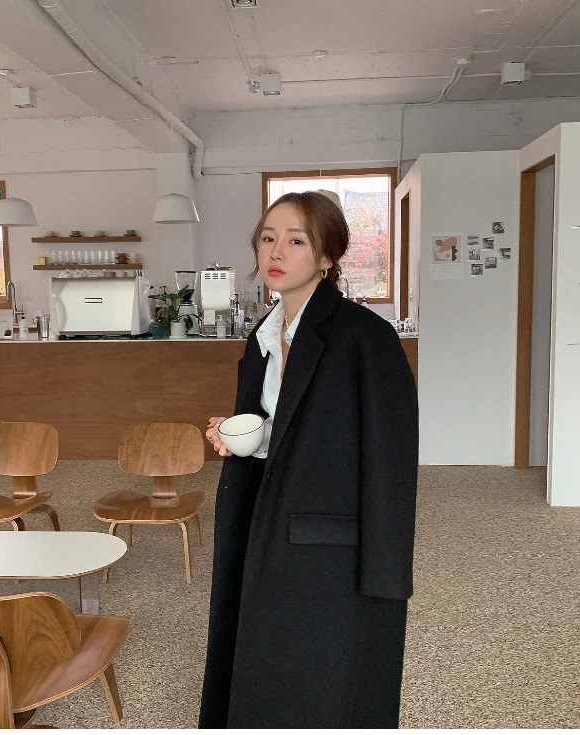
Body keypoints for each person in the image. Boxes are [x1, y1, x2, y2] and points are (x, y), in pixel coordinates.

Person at [198, 191, 419, 729]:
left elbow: (392, 459)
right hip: (261, 518)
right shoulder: (263, 336)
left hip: (329, 539)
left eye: (296, 240)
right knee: (261, 657)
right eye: (268, 238)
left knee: (321, 675)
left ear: (326, 256)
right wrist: (238, 434)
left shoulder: (365, 336)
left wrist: (387, 573)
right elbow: (280, 422)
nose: (276, 251)